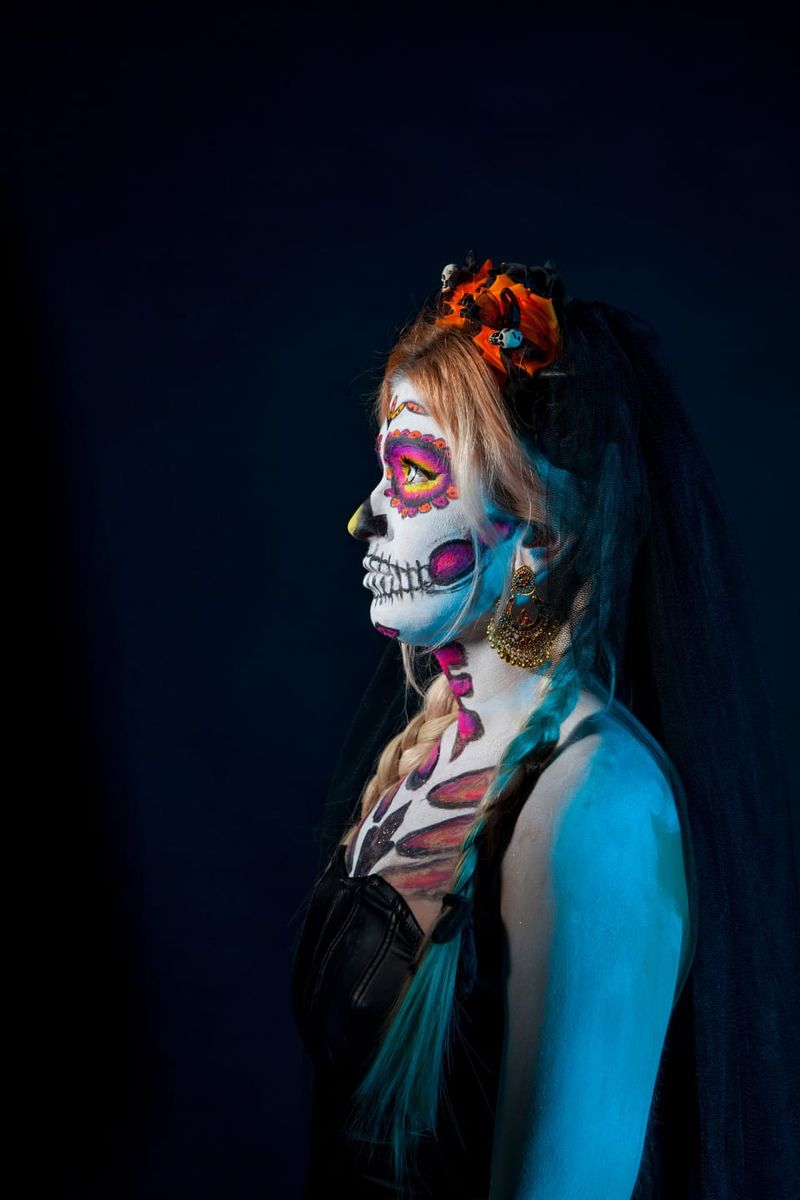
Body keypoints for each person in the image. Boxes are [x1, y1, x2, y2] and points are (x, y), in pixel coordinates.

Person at [290, 253, 800, 1198]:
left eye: (413, 475)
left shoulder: (598, 809)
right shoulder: (436, 750)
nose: (367, 517)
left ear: (543, 532)